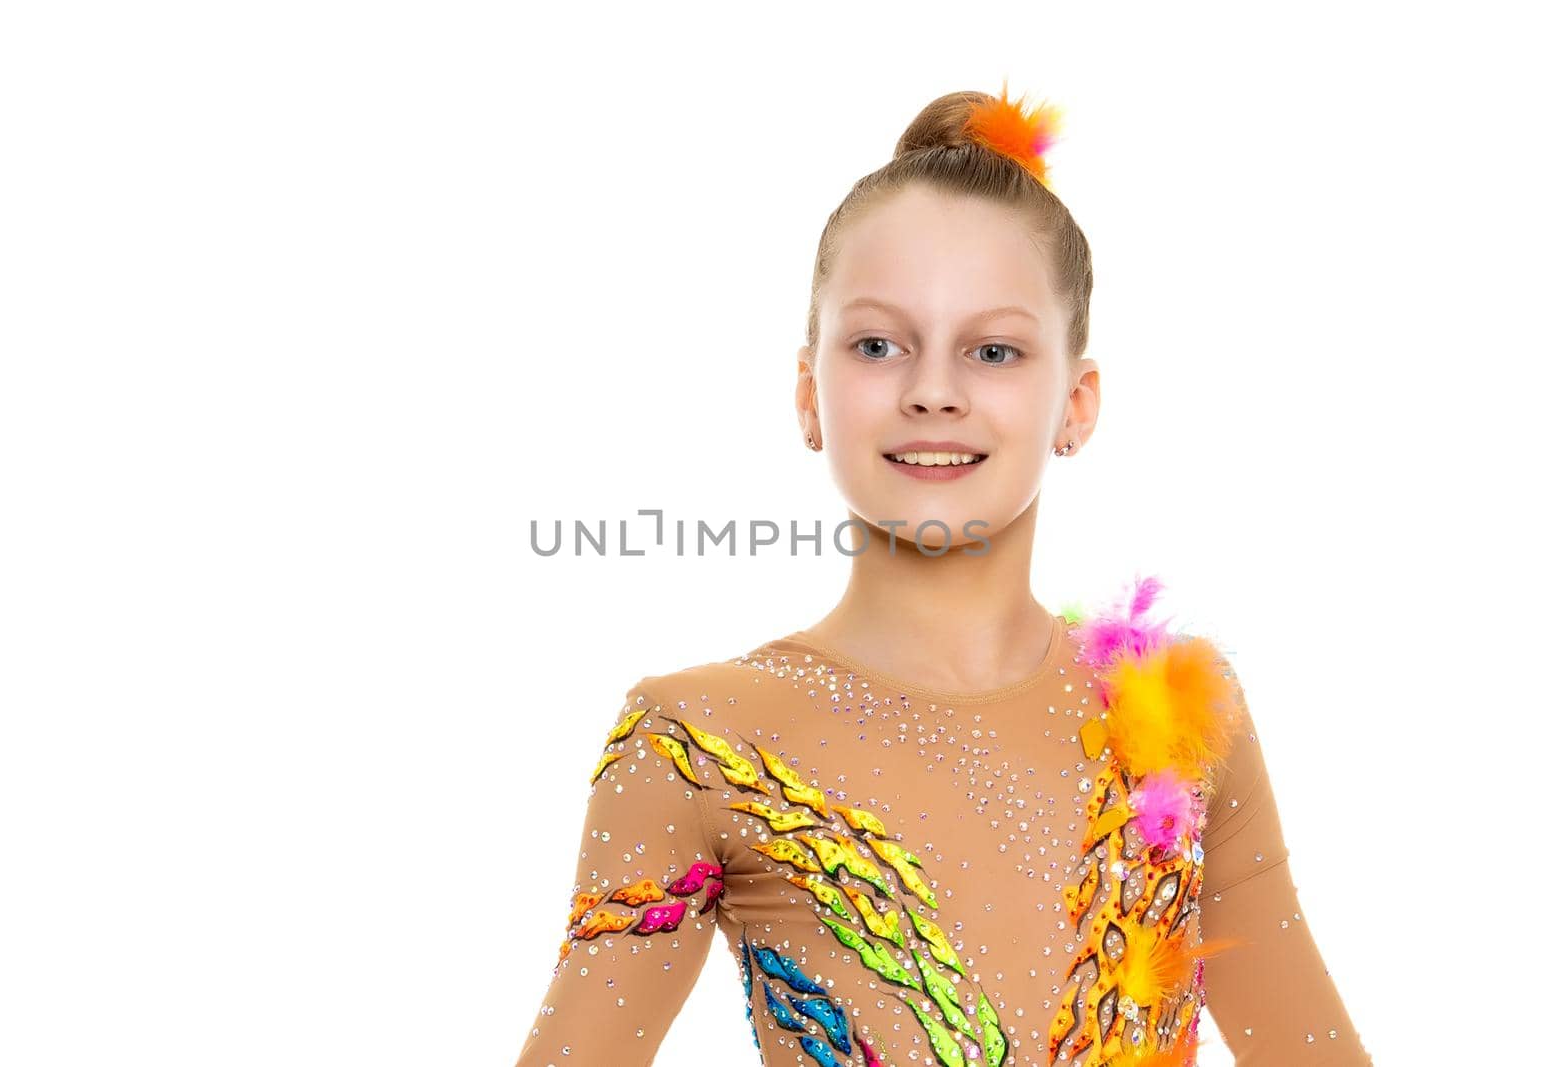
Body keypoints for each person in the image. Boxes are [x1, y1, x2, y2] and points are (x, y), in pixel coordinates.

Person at [514, 84, 1370, 1067]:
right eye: (878, 345)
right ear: (808, 394)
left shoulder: (1172, 716)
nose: (931, 390)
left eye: (993, 350)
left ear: (1075, 402)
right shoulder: (697, 741)